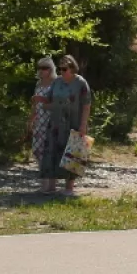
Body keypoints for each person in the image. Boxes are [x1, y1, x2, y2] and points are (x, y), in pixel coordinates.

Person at [38, 55, 91, 195]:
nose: (61, 71)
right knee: (53, 152)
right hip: (56, 124)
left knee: (73, 153)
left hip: (74, 122)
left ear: (72, 68)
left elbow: (86, 105)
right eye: (60, 69)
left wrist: (83, 125)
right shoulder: (57, 82)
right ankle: (51, 186)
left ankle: (69, 187)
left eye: (64, 69)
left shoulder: (80, 83)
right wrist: (42, 102)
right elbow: (49, 101)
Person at [27, 57, 56, 186]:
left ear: (51, 69)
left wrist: (42, 100)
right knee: (37, 150)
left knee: (50, 151)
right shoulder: (38, 84)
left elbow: (57, 103)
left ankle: (50, 183)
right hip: (39, 120)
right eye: (40, 68)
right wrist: (31, 120)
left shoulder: (56, 83)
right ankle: (44, 179)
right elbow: (34, 104)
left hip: (51, 120)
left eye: (45, 68)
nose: (42, 70)